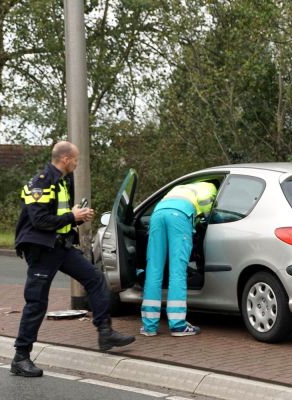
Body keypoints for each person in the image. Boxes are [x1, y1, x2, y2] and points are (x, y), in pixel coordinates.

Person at [11, 141, 135, 378]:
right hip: (41, 249)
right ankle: (20, 357)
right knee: (36, 302)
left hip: (59, 246)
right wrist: (72, 215)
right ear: (66, 159)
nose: (77, 164)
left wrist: (77, 217)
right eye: (76, 160)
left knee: (96, 278)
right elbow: (39, 221)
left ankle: (105, 332)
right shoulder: (41, 182)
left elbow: (58, 217)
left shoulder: (61, 182)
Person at [140, 182, 217, 337]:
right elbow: (207, 209)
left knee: (154, 269)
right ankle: (178, 326)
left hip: (157, 214)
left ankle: (149, 327)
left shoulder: (181, 187)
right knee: (177, 271)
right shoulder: (210, 187)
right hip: (179, 216)